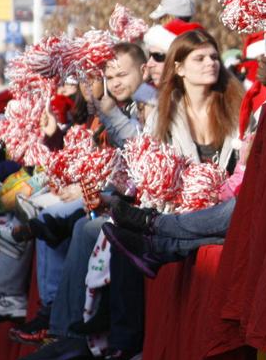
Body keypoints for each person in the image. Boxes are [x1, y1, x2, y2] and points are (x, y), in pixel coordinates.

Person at [104, 30, 244, 278]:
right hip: (179, 207)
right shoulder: (163, 114)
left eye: (214, 57)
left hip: (223, 204)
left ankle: (154, 229)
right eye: (199, 59)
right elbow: (149, 172)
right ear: (179, 68)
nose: (210, 63)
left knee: (242, 210)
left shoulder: (238, 108)